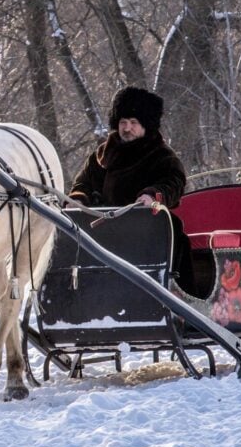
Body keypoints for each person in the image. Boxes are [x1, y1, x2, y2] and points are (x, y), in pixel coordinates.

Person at [69, 86, 194, 293]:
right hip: (103, 225)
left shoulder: (162, 155)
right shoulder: (103, 154)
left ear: (146, 125)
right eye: (123, 122)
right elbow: (83, 182)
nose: (127, 128)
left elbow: (174, 182)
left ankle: (172, 293)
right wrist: (79, 199)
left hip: (146, 227)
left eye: (134, 123)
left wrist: (151, 196)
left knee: (172, 235)